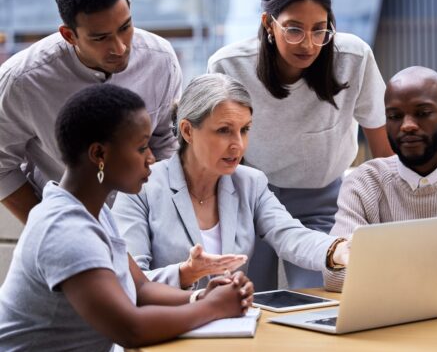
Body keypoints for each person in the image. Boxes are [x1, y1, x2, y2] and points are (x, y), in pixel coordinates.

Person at [0, 84, 253, 351]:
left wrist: (200, 296)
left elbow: (140, 288)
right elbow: (130, 329)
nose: (151, 158)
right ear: (99, 154)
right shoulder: (65, 229)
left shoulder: (93, 211)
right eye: (142, 147)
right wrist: (213, 307)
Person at [207, 0, 393, 290]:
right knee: (250, 298)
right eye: (294, 29)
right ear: (269, 23)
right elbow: (213, 150)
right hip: (251, 199)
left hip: (322, 198)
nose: (308, 44)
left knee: (320, 294)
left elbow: (383, 152)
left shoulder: (353, 58)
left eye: (320, 29)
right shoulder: (229, 65)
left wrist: (391, 219)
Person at [112, 73, 350, 290]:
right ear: (187, 131)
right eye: (224, 130)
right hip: (167, 326)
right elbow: (129, 279)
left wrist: (337, 250)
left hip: (234, 327)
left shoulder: (250, 182)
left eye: (244, 130)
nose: (238, 144)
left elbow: (290, 235)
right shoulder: (140, 189)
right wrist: (185, 273)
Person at [0, 0, 181, 224]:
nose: (120, 47)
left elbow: (166, 143)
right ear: (69, 35)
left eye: (125, 26)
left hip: (145, 222)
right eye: (100, 38)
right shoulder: (22, 81)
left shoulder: (160, 59)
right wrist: (49, 226)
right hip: (68, 224)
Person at [323, 66, 437, 295]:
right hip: (393, 327)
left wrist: (388, 274)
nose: (407, 125)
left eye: (422, 113)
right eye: (394, 116)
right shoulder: (364, 182)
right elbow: (335, 273)